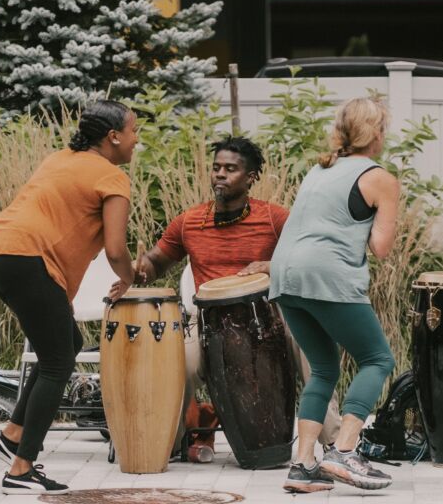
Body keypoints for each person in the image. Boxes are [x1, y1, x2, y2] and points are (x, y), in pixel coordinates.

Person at [135, 136, 341, 464]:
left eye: (230, 169)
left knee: (312, 347)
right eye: (216, 168)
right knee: (178, 363)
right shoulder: (189, 222)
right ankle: (168, 444)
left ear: (250, 178)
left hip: (271, 313)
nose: (220, 174)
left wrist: (272, 266)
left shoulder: (274, 218)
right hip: (207, 319)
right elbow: (157, 261)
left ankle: (336, 446)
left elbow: (314, 257)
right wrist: (137, 268)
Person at [0, 100, 137, 495]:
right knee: (57, 362)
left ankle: (13, 434)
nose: (137, 140)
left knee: (68, 342)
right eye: (134, 131)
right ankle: (21, 468)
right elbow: (116, 251)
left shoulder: (60, 158)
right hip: (28, 259)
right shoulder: (112, 177)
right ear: (113, 136)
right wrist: (130, 278)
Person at [269, 96, 399, 494]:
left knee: (325, 367)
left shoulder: (319, 169)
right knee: (377, 358)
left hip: (285, 275)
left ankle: (303, 465)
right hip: (327, 275)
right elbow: (381, 248)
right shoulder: (379, 178)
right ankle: (344, 450)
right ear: (375, 133)